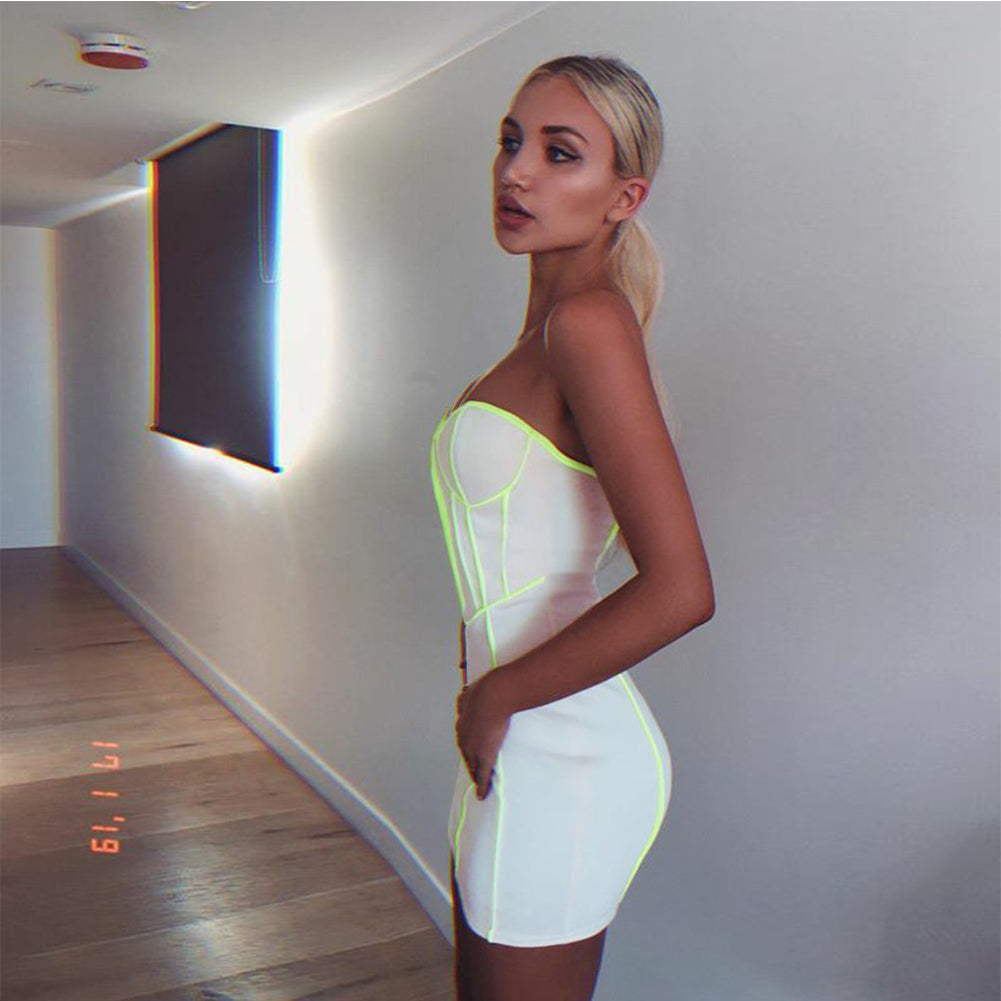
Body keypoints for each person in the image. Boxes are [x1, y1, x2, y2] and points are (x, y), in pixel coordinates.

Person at [428, 53, 716, 1000]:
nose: (516, 171)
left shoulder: (587, 326)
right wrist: (490, 700)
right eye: (511, 142)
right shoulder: (544, 336)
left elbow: (682, 590)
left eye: (559, 153)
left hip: (561, 750)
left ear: (622, 196)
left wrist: (496, 695)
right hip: (517, 738)